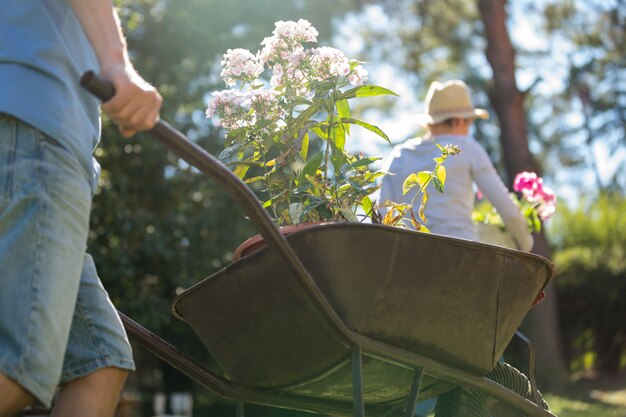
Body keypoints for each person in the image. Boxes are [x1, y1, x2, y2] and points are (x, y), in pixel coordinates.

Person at [0, 1, 162, 416]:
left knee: (99, 360)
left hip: (31, 129)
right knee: (17, 367)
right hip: (34, 120)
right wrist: (116, 62)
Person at [379, 79, 533, 252]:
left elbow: (381, 215)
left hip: (409, 256)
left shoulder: (400, 154)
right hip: (461, 255)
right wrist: (526, 244)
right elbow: (507, 209)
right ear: (460, 121)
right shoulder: (467, 148)